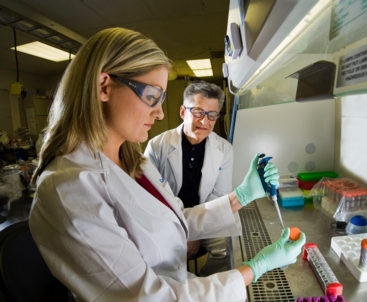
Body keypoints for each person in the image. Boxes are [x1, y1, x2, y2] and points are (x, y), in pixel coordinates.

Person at [29, 27, 306, 302]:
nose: (160, 113)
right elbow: (151, 298)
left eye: (160, 99)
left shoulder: (132, 159)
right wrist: (254, 269)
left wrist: (241, 195)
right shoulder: (68, 188)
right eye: (151, 96)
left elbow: (175, 220)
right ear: (104, 86)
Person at [144, 81, 233, 276]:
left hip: (205, 218)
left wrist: (196, 233)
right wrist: (182, 232)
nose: (204, 121)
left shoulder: (225, 149)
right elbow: (151, 197)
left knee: (225, 248)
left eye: (212, 115)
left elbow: (219, 196)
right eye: (198, 112)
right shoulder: (157, 146)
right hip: (166, 219)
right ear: (183, 111)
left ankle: (202, 285)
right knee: (158, 257)